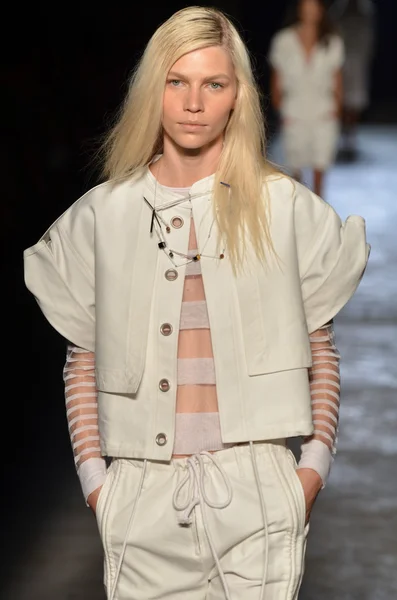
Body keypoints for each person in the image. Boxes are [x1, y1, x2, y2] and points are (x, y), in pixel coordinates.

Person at [23, 6, 370, 600]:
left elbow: (321, 347)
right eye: (176, 82)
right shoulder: (102, 216)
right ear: (151, 89)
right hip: (141, 495)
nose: (193, 103)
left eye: (214, 83)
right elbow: (81, 359)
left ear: (238, 95)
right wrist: (99, 487)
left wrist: (310, 471)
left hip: (259, 488)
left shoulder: (285, 208)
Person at [268, 0, 345, 197]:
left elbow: (337, 79)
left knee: (321, 167)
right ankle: (297, 218)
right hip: (294, 110)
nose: (310, 10)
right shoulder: (284, 40)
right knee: (293, 172)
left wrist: (336, 109)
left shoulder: (332, 41)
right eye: (306, 5)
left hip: (323, 111)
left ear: (321, 10)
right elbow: (277, 79)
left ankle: (319, 218)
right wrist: (280, 109)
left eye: (314, 6)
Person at [329, 0, 376, 158]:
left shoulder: (366, 8)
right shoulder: (338, 8)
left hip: (358, 62)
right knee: (340, 99)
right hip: (340, 62)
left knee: (355, 101)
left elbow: (369, 35)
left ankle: (351, 139)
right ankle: (342, 137)